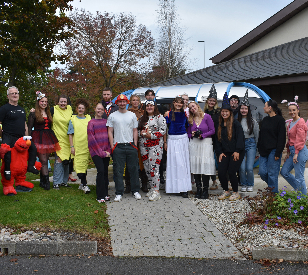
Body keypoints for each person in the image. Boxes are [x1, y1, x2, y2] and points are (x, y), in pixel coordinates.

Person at [0, 86, 39, 183]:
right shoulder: (4, 108)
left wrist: (27, 138)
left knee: (33, 148)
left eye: (16, 93)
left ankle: (30, 166)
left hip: (21, 137)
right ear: (8, 96)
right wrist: (2, 135)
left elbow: (24, 124)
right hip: (8, 136)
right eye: (12, 93)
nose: (14, 95)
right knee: (7, 153)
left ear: (18, 95)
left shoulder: (21, 109)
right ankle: (7, 171)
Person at [107, 94, 141, 202]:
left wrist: (135, 144)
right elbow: (110, 131)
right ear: (117, 103)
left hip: (130, 145)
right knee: (118, 171)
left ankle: (135, 191)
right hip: (118, 146)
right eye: (120, 102)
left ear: (127, 103)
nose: (122, 103)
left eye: (124, 101)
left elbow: (135, 130)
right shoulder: (112, 115)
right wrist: (112, 146)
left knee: (134, 169)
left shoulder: (131, 115)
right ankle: (119, 192)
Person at [28, 91, 60, 190]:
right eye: (42, 101)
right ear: (38, 102)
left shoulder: (48, 112)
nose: (44, 103)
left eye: (45, 101)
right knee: (44, 160)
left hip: (48, 138)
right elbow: (29, 127)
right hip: (38, 137)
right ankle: (46, 182)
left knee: (44, 161)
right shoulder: (33, 113)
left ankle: (43, 181)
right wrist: (28, 140)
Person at [215, 92, 245, 201]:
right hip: (224, 152)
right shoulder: (219, 125)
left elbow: (240, 138)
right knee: (222, 172)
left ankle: (236, 192)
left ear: (230, 113)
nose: (224, 113)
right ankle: (226, 191)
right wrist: (219, 152)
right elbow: (217, 141)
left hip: (236, 151)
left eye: (226, 111)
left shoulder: (236, 124)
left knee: (232, 171)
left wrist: (237, 151)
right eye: (223, 111)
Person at [138, 100, 166, 201]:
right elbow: (137, 131)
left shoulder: (159, 117)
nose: (149, 107)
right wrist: (141, 133)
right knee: (147, 167)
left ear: (154, 107)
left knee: (154, 167)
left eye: (151, 105)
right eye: (147, 106)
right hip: (143, 146)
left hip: (155, 146)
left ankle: (157, 190)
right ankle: (152, 188)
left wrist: (152, 135)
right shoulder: (142, 118)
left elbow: (162, 131)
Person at [187, 101, 215, 199]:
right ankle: (198, 189)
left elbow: (212, 130)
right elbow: (188, 134)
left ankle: (205, 190)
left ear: (197, 106)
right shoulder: (190, 119)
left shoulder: (206, 116)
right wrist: (193, 134)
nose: (192, 108)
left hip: (205, 143)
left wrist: (203, 135)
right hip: (195, 144)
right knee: (196, 165)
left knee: (205, 165)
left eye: (193, 106)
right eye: (190, 108)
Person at [164, 96, 191, 197]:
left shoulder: (185, 114)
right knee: (174, 163)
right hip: (172, 140)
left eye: (181, 103)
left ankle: (184, 188)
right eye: (177, 103)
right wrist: (165, 142)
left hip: (182, 139)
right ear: (174, 103)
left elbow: (188, 127)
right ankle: (174, 187)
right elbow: (164, 130)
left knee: (182, 164)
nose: (179, 105)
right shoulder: (168, 114)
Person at [280, 97, 308, 195]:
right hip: (292, 152)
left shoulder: (300, 122)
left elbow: (300, 139)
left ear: (298, 110)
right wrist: (288, 152)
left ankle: (304, 200)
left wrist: (296, 153)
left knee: (299, 176)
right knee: (284, 172)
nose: (292, 112)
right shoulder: (290, 123)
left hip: (300, 151)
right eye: (290, 110)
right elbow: (290, 139)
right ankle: (299, 188)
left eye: (294, 110)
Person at [258, 99, 286, 193]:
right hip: (263, 151)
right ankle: (272, 188)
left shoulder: (280, 120)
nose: (263, 107)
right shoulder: (265, 120)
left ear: (270, 108)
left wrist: (278, 152)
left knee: (272, 174)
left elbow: (282, 138)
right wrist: (259, 149)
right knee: (262, 173)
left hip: (274, 151)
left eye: (265, 106)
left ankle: (273, 197)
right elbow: (261, 135)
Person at [88, 103, 111, 202]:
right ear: (95, 109)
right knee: (101, 171)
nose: (99, 111)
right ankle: (100, 195)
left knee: (105, 172)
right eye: (98, 109)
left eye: (101, 109)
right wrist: (101, 152)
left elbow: (110, 137)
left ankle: (105, 193)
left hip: (106, 152)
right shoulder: (91, 123)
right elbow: (91, 140)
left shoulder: (106, 122)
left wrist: (109, 150)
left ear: (104, 111)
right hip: (96, 152)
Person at [68, 99, 91, 194]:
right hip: (77, 147)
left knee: (84, 166)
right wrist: (71, 146)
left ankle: (82, 184)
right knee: (78, 167)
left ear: (85, 109)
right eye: (79, 108)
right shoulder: (72, 119)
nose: (81, 110)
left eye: (82, 108)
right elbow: (70, 134)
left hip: (86, 146)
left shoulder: (89, 119)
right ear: (76, 109)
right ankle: (85, 185)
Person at [237, 90, 259, 192]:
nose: (243, 110)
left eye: (245, 109)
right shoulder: (237, 121)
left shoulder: (253, 121)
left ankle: (250, 184)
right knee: (241, 168)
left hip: (251, 144)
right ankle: (244, 183)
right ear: (240, 109)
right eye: (242, 108)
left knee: (249, 167)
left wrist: (257, 151)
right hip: (240, 145)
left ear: (248, 110)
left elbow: (257, 136)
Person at [127, 95, 148, 193]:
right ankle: (129, 185)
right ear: (130, 102)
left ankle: (144, 184)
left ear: (139, 102)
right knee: (130, 162)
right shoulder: (127, 113)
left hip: (142, 140)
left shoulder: (144, 113)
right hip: (129, 139)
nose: (135, 102)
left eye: (137, 100)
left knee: (142, 162)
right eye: (133, 100)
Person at [51, 95, 73, 189]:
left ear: (67, 102)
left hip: (68, 138)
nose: (63, 103)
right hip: (58, 137)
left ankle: (64, 181)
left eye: (64, 102)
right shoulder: (53, 110)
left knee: (67, 159)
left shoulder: (70, 110)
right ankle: (56, 182)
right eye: (61, 101)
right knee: (59, 159)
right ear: (58, 102)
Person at [204, 84, 220, 190]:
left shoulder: (219, 112)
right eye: (210, 100)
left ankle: (226, 181)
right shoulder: (203, 113)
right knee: (210, 160)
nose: (211, 103)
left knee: (219, 159)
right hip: (208, 138)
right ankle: (214, 181)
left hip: (218, 138)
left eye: (213, 101)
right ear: (207, 101)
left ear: (215, 103)